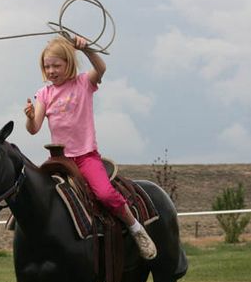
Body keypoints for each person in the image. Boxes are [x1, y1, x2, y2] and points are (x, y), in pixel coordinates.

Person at [23, 35, 157, 260]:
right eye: (47, 66)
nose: (52, 70)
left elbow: (101, 67)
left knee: (105, 194)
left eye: (57, 65)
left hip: (86, 157)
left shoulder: (83, 83)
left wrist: (86, 49)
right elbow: (34, 128)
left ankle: (135, 227)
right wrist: (29, 117)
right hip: (58, 160)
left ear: (69, 63)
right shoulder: (44, 94)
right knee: (36, 194)